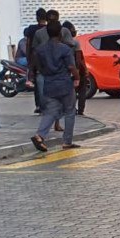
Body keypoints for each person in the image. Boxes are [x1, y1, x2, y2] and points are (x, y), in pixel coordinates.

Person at [30, 21, 79, 153]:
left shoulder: (40, 50)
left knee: (50, 112)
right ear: (60, 33)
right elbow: (71, 66)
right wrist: (77, 78)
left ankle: (39, 135)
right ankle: (67, 141)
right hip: (64, 84)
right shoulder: (65, 49)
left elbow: (38, 66)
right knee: (70, 111)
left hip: (49, 84)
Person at [24, 8, 47, 113]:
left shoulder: (32, 29)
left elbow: (28, 44)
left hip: (35, 59)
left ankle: (39, 105)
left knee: (37, 83)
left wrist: (29, 59)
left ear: (37, 17)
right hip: (48, 59)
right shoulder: (50, 29)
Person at [64, 21, 90, 117]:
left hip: (67, 70)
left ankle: (72, 108)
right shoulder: (75, 42)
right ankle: (81, 110)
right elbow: (79, 58)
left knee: (71, 92)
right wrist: (82, 70)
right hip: (77, 70)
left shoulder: (61, 42)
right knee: (82, 90)